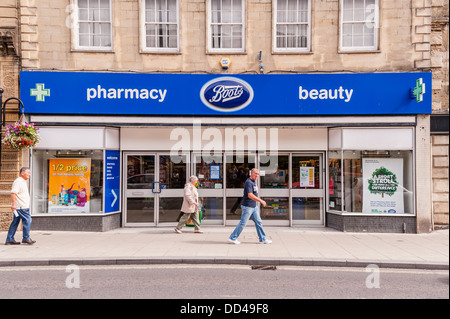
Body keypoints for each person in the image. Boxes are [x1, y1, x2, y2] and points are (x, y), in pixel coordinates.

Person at [228, 168, 272, 245]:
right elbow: (250, 195)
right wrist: (261, 201)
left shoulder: (253, 182)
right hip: (248, 207)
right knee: (243, 223)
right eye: (255, 173)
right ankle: (232, 238)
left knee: (258, 222)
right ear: (251, 174)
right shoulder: (248, 182)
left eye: (258, 174)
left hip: (254, 207)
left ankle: (262, 238)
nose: (257, 175)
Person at [5, 167, 35, 245]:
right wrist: (14, 204)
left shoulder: (22, 181)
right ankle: (26, 238)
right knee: (28, 220)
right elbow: (13, 193)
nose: (29, 174)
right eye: (28, 173)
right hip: (21, 207)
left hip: (21, 206)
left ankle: (9, 239)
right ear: (22, 173)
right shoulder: (18, 181)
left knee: (15, 222)